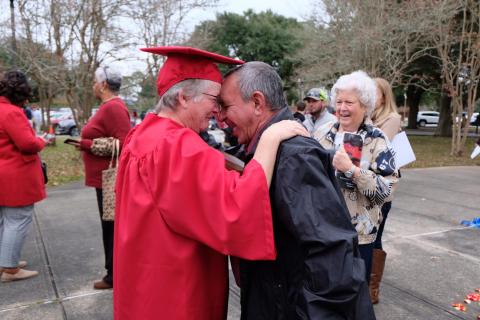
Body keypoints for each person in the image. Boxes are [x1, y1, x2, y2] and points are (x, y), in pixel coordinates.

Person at [113, 47, 308, 320]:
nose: (218, 112)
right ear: (183, 98)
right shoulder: (176, 145)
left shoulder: (142, 135)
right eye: (214, 100)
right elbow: (235, 208)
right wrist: (270, 141)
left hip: (145, 286)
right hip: (176, 296)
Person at [219, 62, 375, 319]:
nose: (221, 117)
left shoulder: (293, 157)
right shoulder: (262, 150)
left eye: (226, 106)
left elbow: (332, 261)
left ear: (257, 103)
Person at [313, 70, 399, 288]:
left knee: (354, 296)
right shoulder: (321, 133)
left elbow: (387, 190)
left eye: (349, 102)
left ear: (365, 105)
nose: (342, 108)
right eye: (339, 101)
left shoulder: (378, 141)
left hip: (358, 237)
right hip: (322, 230)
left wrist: (352, 171)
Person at [78, 66, 131, 290]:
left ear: (103, 85)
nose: (93, 85)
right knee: (109, 226)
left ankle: (114, 275)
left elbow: (125, 142)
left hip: (109, 180)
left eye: (94, 82)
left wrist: (87, 145)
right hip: (102, 178)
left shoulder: (114, 108)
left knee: (111, 227)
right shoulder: (109, 107)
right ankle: (114, 273)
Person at [0, 70, 46, 281]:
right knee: (17, 219)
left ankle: (5, 260)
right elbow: (28, 144)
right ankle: (10, 268)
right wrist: (42, 141)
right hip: (15, 175)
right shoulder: (11, 112)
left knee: (5, 220)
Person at [369, 77, 402, 304]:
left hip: (382, 186)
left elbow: (379, 144)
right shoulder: (370, 116)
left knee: (376, 235)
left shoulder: (392, 118)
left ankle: (372, 288)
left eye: (374, 92)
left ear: (384, 95)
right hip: (365, 183)